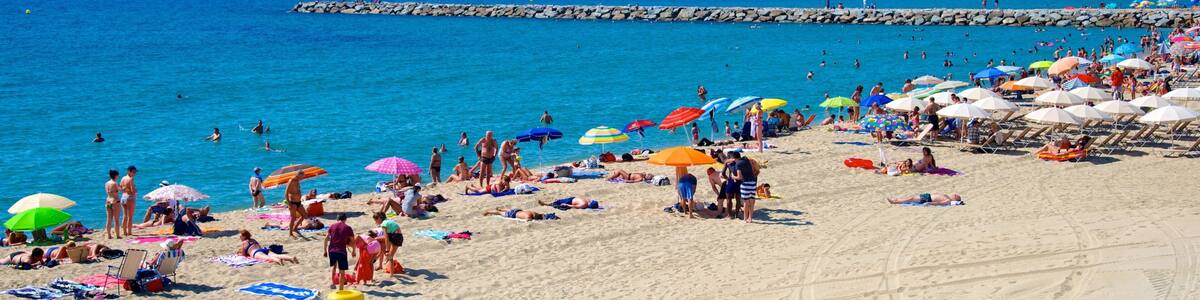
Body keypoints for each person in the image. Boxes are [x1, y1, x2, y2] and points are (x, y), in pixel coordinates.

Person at [324, 214, 354, 290]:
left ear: (337, 219)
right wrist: (353, 250)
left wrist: (325, 251)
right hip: (342, 251)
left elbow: (326, 238)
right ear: (345, 219)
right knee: (342, 271)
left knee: (334, 266)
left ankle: (333, 283)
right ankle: (341, 289)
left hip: (332, 250)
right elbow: (352, 240)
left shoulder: (332, 226)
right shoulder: (348, 227)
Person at [731, 151, 758, 223]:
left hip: (745, 183)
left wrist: (733, 177)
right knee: (752, 201)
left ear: (734, 158)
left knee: (746, 202)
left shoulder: (738, 164)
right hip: (753, 182)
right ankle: (750, 218)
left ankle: (745, 219)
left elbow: (739, 177)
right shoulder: (747, 160)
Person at [285, 170, 308, 239]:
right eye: (302, 176)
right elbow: (286, 193)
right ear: (298, 175)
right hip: (292, 203)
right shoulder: (291, 181)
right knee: (293, 218)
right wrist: (289, 204)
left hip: (298, 202)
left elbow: (296, 190)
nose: (302, 178)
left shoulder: (297, 180)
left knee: (304, 215)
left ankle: (295, 227)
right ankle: (290, 233)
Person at [120, 166, 138, 237]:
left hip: (123, 197)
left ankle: (124, 232)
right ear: (129, 171)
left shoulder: (123, 178)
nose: (135, 173)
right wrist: (135, 190)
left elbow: (120, 187)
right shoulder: (131, 179)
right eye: (133, 172)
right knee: (130, 216)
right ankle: (129, 232)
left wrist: (125, 190)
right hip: (130, 198)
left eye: (135, 172)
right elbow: (133, 191)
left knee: (125, 215)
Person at [105, 169, 121, 239]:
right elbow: (119, 190)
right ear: (116, 175)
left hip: (108, 201)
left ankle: (109, 235)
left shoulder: (106, 183)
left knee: (109, 219)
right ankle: (117, 235)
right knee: (116, 219)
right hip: (115, 201)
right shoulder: (114, 183)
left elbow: (110, 192)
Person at [483, 207, 557, 221]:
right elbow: (528, 218)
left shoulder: (534, 213)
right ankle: (488, 212)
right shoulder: (530, 215)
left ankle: (500, 208)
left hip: (518, 210)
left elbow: (543, 215)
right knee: (499, 213)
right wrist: (528, 220)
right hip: (513, 214)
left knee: (508, 209)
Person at [888, 193, 964, 206]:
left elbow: (939, 203)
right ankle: (897, 200)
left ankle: (895, 202)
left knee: (911, 198)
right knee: (911, 197)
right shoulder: (947, 196)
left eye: (956, 196)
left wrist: (930, 203)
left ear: (955, 199)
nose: (955, 194)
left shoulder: (948, 200)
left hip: (928, 198)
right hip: (928, 196)